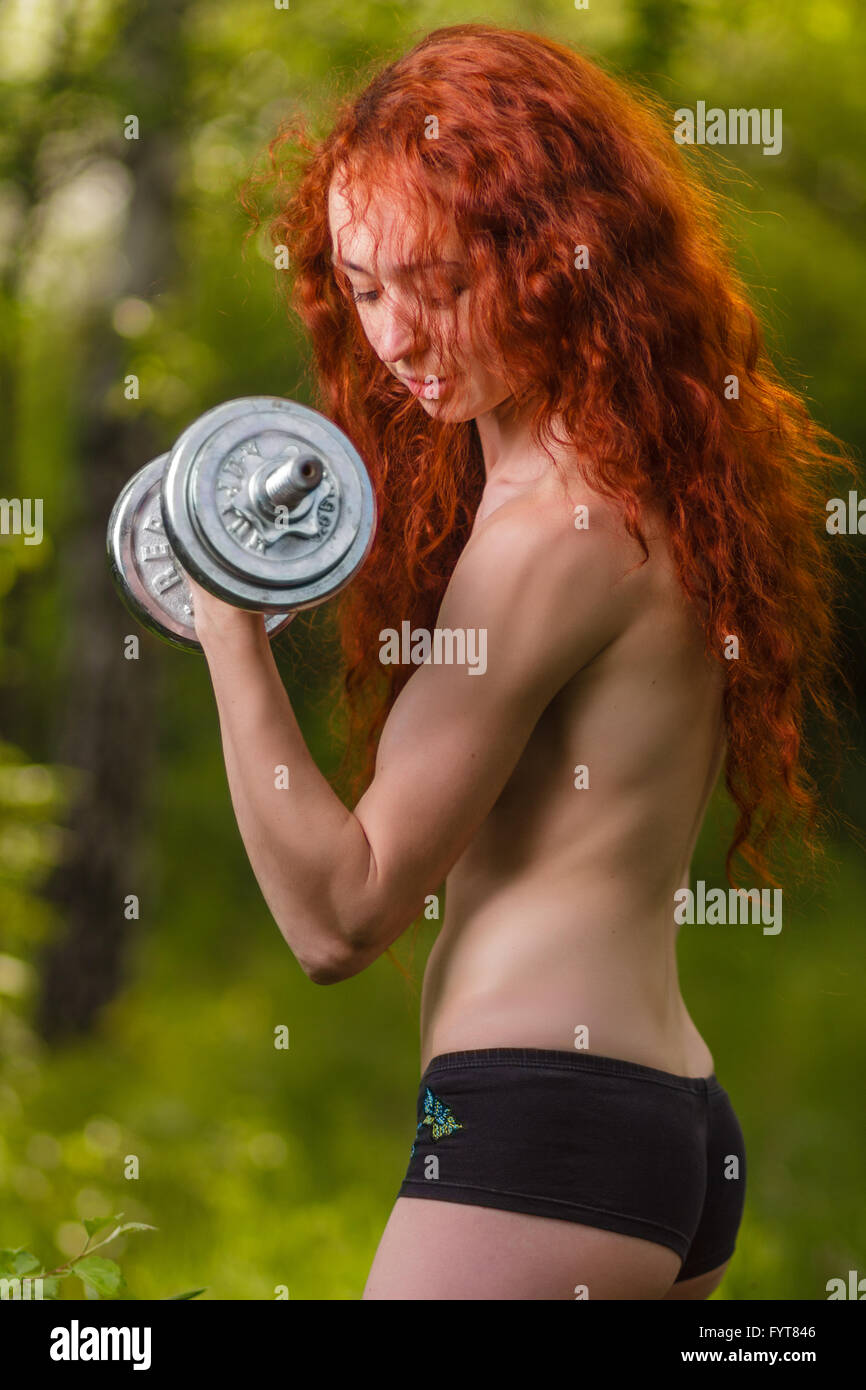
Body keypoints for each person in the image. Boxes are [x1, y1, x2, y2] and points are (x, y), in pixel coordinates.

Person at [184, 25, 849, 1299]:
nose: (395, 334)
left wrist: (223, 617)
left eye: (435, 281)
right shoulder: (626, 488)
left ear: (545, 254)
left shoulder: (551, 535)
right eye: (362, 286)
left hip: (546, 1134)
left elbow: (341, 913)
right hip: (655, 1124)